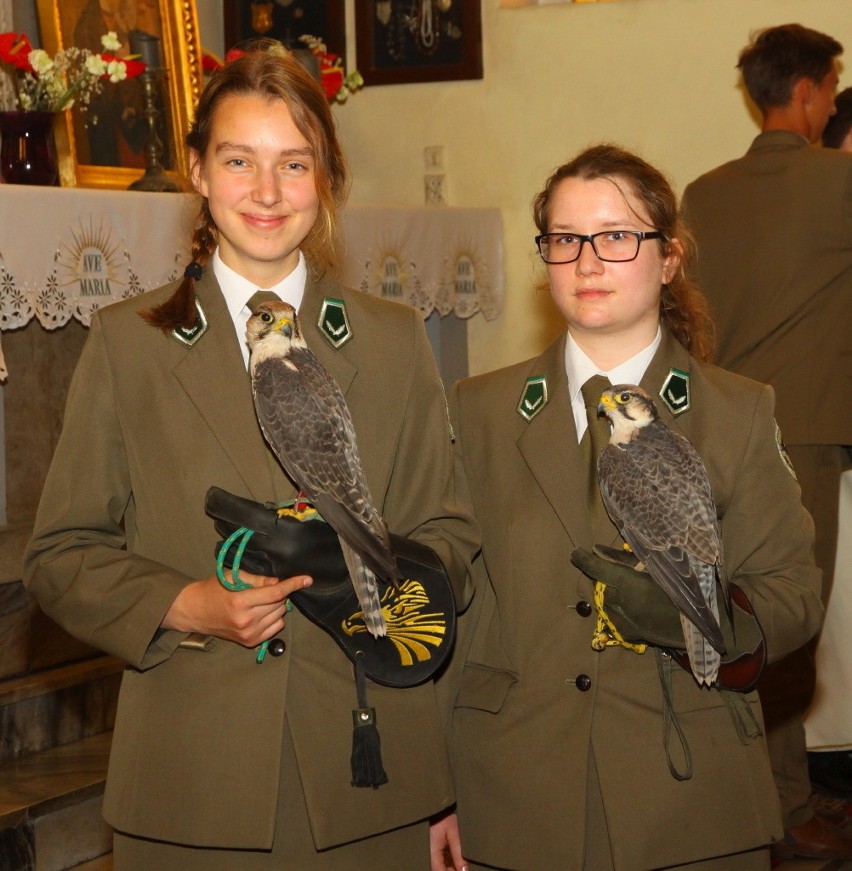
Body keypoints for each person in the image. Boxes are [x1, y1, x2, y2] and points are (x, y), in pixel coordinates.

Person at [23, 41, 477, 870]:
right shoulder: (132, 344)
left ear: (327, 177)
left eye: (294, 163)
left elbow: (447, 532)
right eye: (240, 160)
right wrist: (183, 603)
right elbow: (60, 554)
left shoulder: (390, 338)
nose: (267, 193)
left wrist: (379, 579)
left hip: (372, 761)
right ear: (198, 170)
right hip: (197, 778)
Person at [447, 144, 822, 869]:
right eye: (565, 239)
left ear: (669, 257)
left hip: (685, 786)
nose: (587, 262)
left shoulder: (736, 411)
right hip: (515, 788)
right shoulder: (481, 408)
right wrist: (438, 789)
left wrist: (706, 615)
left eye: (617, 236)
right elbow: (462, 605)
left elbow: (793, 592)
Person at [681, 23, 852, 860]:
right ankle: (780, 806)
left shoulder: (704, 193)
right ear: (813, 91)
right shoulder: (837, 182)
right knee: (790, 621)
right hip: (806, 432)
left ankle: (764, 785)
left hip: (719, 426)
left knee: (736, 609)